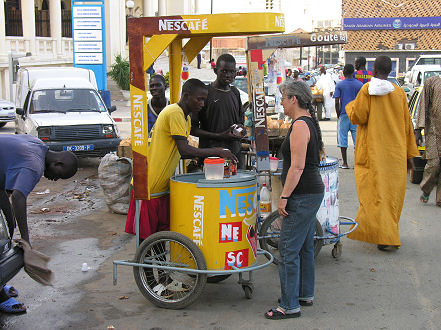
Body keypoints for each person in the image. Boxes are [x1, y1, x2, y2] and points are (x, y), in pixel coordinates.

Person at [125, 79, 236, 240]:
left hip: (161, 187)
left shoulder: (186, 118)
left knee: (159, 239)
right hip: (149, 186)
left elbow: (181, 153)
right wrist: (218, 151)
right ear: (186, 96)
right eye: (199, 99)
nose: (202, 104)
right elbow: (184, 148)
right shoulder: (174, 112)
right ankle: (143, 267)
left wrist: (208, 155)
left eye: (204, 100)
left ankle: (161, 267)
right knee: (146, 242)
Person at [346, 55, 419, 251]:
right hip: (394, 154)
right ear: (389, 72)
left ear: (374, 71)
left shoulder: (366, 91)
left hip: (373, 153)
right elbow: (406, 125)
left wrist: (350, 105)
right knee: (391, 195)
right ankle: (385, 232)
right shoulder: (399, 93)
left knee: (374, 194)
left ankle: (387, 235)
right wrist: (409, 155)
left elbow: (358, 116)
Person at [265, 80, 325, 320]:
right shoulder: (305, 122)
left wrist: (284, 197)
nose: (281, 101)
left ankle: (289, 306)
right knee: (304, 246)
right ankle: (304, 294)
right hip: (311, 192)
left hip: (303, 194)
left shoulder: (300, 125)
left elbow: (297, 168)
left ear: (294, 99)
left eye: (284, 97)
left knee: (288, 249)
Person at [0, 135, 78, 313]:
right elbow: (18, 197)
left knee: (8, 227)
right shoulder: (34, 166)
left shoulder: (37, 145)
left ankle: (1, 281)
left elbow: (10, 169)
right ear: (58, 164)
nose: (55, 180)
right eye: (59, 176)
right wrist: (26, 240)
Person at [191, 54, 246, 168]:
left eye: (231, 72)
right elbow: (193, 129)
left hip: (234, 156)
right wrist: (220, 136)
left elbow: (240, 122)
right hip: (211, 157)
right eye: (224, 71)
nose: (228, 75)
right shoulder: (205, 93)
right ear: (216, 71)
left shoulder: (235, 93)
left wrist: (240, 131)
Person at [415, 75, 441, 207]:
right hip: (434, 132)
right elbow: (423, 106)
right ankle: (426, 189)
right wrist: (418, 130)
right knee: (434, 164)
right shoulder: (432, 82)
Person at [333, 64, 363, 169]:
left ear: (344, 72)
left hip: (344, 114)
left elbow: (337, 101)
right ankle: (358, 163)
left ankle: (345, 163)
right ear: (353, 72)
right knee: (357, 140)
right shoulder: (360, 85)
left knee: (342, 139)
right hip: (356, 115)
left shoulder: (340, 85)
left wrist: (338, 115)